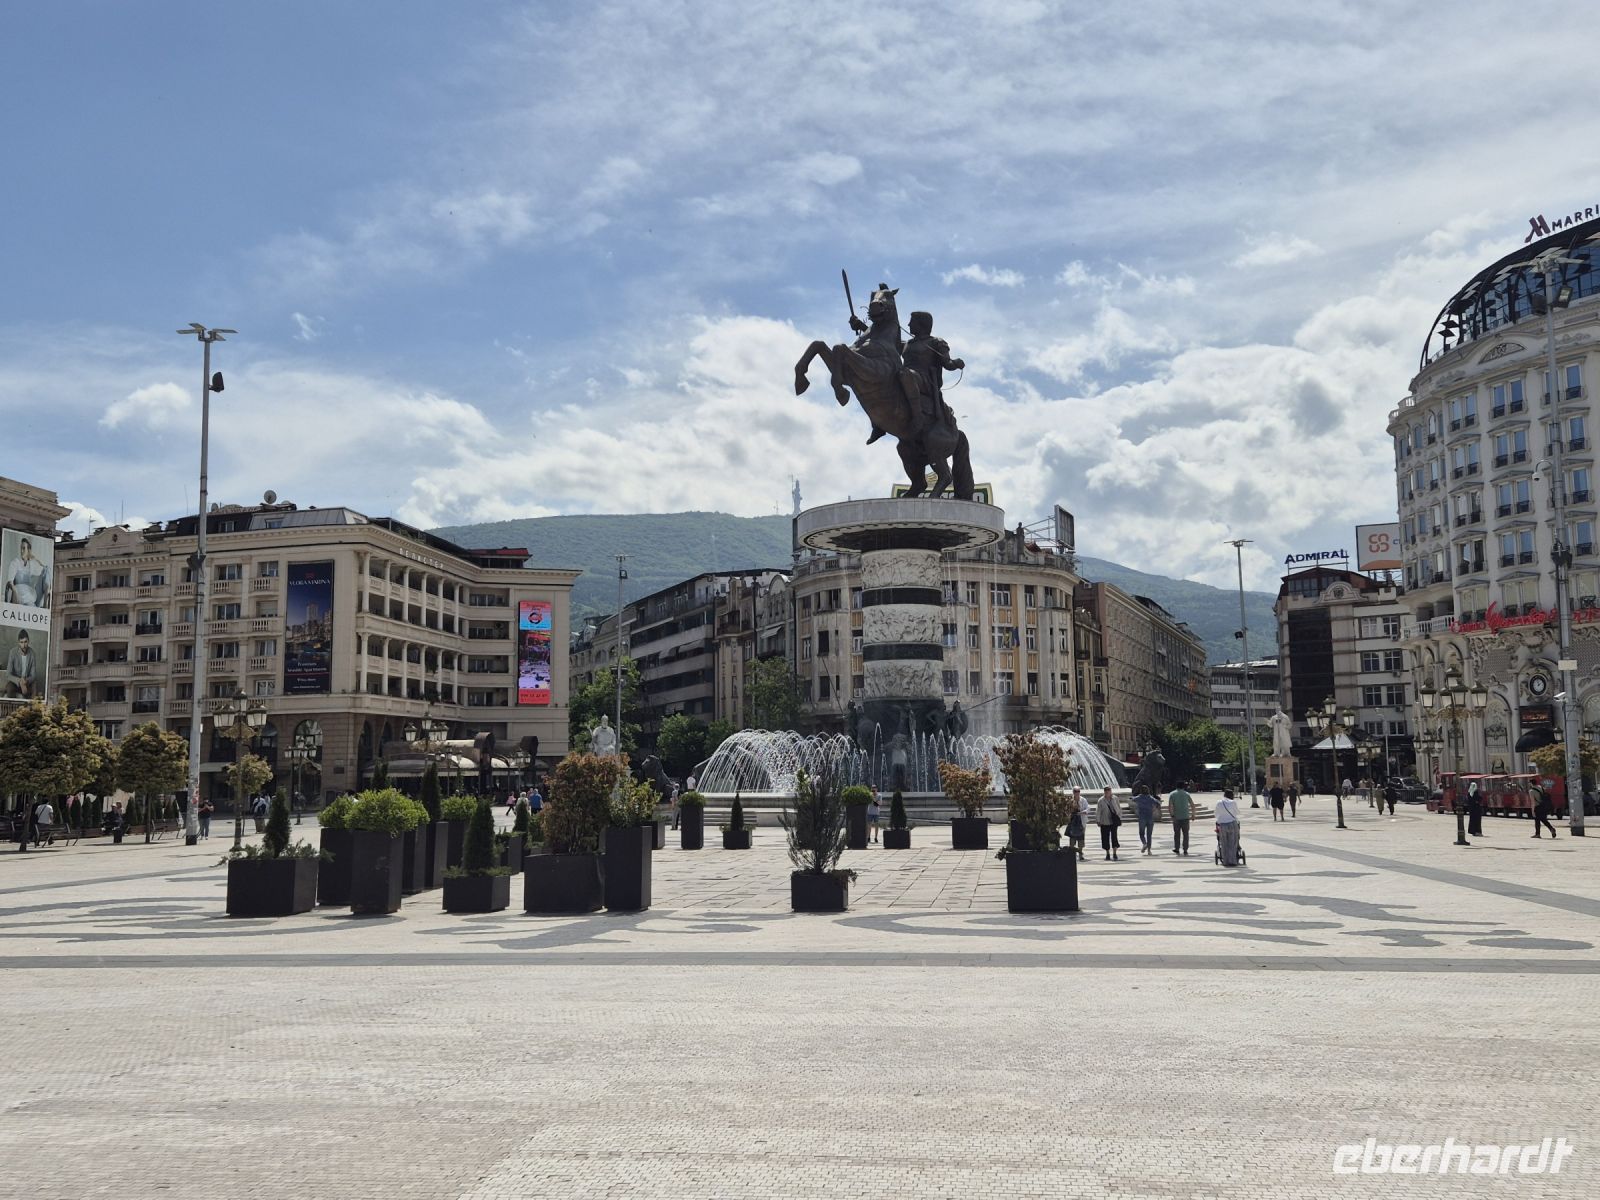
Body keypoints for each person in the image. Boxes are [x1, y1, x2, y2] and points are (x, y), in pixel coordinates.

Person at [4, 536, 49, 607]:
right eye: (21, 548)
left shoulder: (31, 564)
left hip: (30, 594)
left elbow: (44, 568)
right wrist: (14, 591)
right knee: (30, 606)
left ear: (28, 550)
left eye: (24, 548)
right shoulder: (15, 562)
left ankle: (46, 601)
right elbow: (10, 581)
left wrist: (35, 558)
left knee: (47, 570)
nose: (22, 551)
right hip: (19, 593)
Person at [4, 629, 37, 698]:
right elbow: (8, 674)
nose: (23, 645)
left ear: (28, 641)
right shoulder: (13, 652)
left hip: (26, 681)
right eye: (21, 642)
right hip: (15, 682)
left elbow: (33, 675)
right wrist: (19, 681)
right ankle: (17, 697)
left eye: (25, 642)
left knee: (34, 688)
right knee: (9, 688)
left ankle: (24, 698)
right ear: (18, 643)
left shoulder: (32, 653)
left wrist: (25, 681)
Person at [1215, 788, 1242, 867]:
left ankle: (1226, 861)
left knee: (1224, 843)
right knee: (1233, 843)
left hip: (1222, 825)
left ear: (1224, 795)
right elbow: (1237, 812)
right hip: (1232, 824)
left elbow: (1216, 813)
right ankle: (1232, 860)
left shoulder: (1219, 802)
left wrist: (1221, 819)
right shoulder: (1233, 802)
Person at [1095, 785, 1121, 861]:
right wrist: (1098, 820)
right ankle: (1107, 853)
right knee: (1105, 838)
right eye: (1105, 790)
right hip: (1104, 821)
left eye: (1108, 790)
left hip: (1113, 822)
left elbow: (1118, 809)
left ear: (1111, 791)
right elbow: (1098, 811)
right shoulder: (1101, 800)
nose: (1107, 791)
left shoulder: (1115, 798)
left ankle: (1115, 853)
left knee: (1114, 837)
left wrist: (1119, 817)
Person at [1168, 780, 1192, 856]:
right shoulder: (1187, 794)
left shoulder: (1172, 794)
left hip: (1176, 817)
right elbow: (1192, 804)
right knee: (1186, 834)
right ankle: (1185, 849)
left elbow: (1170, 806)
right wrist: (1193, 815)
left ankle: (1177, 848)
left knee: (1177, 834)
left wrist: (1172, 815)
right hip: (1185, 816)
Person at [1133, 787, 1159, 855]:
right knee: (1149, 835)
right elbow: (1158, 802)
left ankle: (1144, 843)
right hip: (1150, 817)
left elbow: (1133, 799)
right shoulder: (1150, 798)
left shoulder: (1139, 797)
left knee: (1141, 833)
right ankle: (1149, 850)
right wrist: (1154, 809)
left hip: (1142, 817)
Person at [1065, 787, 1086, 860]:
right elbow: (1067, 810)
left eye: (1078, 791)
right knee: (1072, 840)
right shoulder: (1070, 801)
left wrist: (1082, 812)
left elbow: (1087, 808)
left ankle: (1080, 854)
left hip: (1081, 823)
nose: (1077, 793)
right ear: (1073, 792)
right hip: (1072, 823)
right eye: (1075, 791)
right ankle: (1071, 855)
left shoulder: (1083, 800)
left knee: (1081, 840)